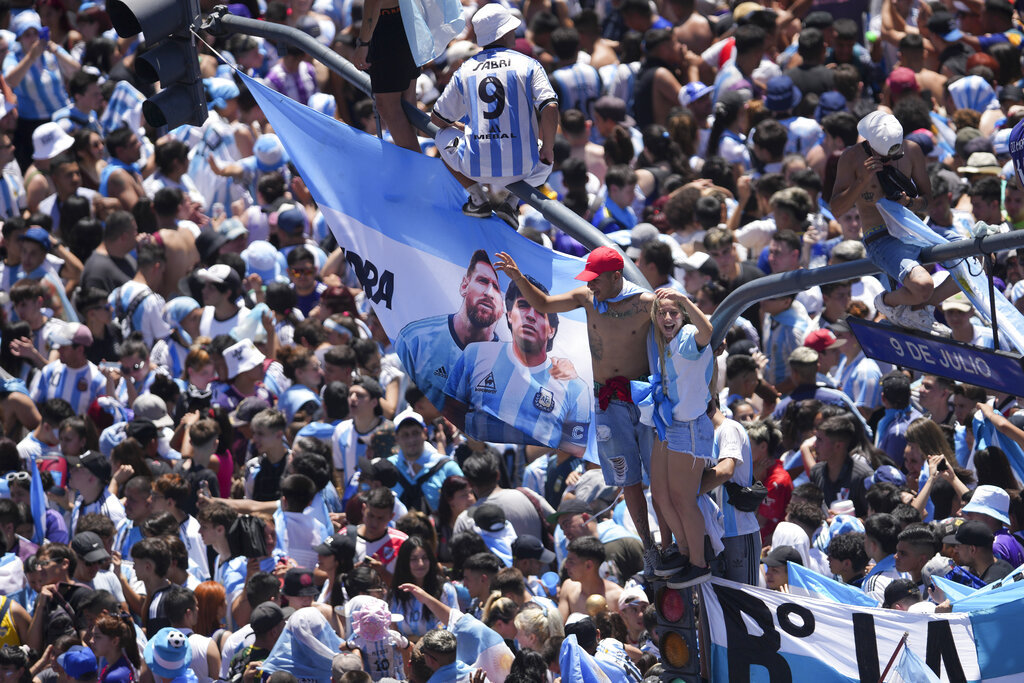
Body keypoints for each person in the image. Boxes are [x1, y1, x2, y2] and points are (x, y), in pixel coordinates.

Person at [494, 247, 659, 577]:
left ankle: (669, 545)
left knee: (659, 481)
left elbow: (682, 330)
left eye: (596, 280)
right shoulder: (587, 297)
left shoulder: (645, 303)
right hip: (607, 404)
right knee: (629, 482)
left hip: (642, 401)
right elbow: (543, 304)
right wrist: (518, 278)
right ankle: (653, 550)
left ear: (616, 277)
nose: (591, 286)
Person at [830, 111, 959, 334]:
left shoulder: (912, 150)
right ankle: (887, 302)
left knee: (982, 258)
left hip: (917, 232)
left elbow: (927, 202)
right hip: (881, 237)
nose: (891, 161)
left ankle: (920, 305)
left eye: (895, 156)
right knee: (922, 285)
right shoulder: (851, 158)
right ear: (870, 145)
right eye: (885, 157)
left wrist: (909, 202)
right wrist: (862, 182)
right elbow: (836, 209)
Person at [432, 4, 559, 227]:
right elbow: (549, 106)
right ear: (506, 33)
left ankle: (477, 198)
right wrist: (547, 147)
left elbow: (437, 119)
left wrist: (464, 128)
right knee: (545, 153)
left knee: (441, 137)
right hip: (523, 168)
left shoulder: (465, 69)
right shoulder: (528, 64)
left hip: (475, 167)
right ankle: (511, 203)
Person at [443, 271, 589, 454]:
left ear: (551, 330)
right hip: (473, 470)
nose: (529, 316)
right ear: (510, 315)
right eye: (523, 306)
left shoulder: (575, 389)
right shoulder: (475, 354)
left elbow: (575, 450)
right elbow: (450, 409)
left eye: (539, 311)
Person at [643, 287, 715, 587]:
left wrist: (686, 300)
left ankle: (699, 563)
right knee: (660, 494)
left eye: (674, 312)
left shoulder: (687, 338)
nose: (668, 317)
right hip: (670, 424)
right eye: (662, 312)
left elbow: (707, 332)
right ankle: (685, 552)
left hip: (690, 428)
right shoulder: (666, 342)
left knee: (684, 499)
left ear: (683, 315)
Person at [395, 250, 504, 411]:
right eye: (482, 281)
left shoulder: (509, 364)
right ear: (464, 286)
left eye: (496, 288)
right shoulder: (415, 339)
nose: (489, 293)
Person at [944, 520, 1014, 584]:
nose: (955, 550)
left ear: (972, 549)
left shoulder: (990, 585)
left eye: (958, 546)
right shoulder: (1003, 566)